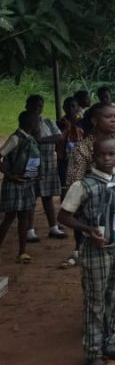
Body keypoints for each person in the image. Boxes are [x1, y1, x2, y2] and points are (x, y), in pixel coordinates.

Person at [58, 137, 115, 365]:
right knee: (96, 302)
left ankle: (111, 345)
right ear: (93, 157)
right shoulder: (83, 186)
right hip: (97, 251)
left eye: (111, 154)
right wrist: (87, 230)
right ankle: (93, 353)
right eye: (101, 155)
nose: (107, 159)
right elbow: (63, 217)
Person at [64, 104, 115, 269]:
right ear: (95, 120)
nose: (114, 120)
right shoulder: (83, 149)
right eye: (108, 116)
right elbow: (74, 186)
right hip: (95, 219)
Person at [0, 111, 42, 263]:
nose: (39, 124)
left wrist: (37, 174)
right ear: (30, 123)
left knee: (24, 216)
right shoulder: (16, 138)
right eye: (37, 120)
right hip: (14, 183)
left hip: (26, 183)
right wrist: (10, 176)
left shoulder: (30, 139)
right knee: (10, 217)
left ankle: (22, 252)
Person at [24, 94, 66, 241]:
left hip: (48, 162)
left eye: (40, 105)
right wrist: (44, 140)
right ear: (27, 106)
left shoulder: (47, 121)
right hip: (32, 163)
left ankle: (53, 227)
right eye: (34, 105)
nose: (37, 108)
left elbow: (59, 137)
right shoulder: (26, 121)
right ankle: (29, 230)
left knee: (47, 197)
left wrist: (41, 140)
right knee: (31, 196)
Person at [58, 96, 85, 191]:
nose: (70, 109)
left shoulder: (82, 122)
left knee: (80, 185)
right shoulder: (60, 123)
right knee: (65, 186)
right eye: (68, 106)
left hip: (80, 159)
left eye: (73, 106)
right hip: (64, 160)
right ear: (63, 108)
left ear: (78, 108)